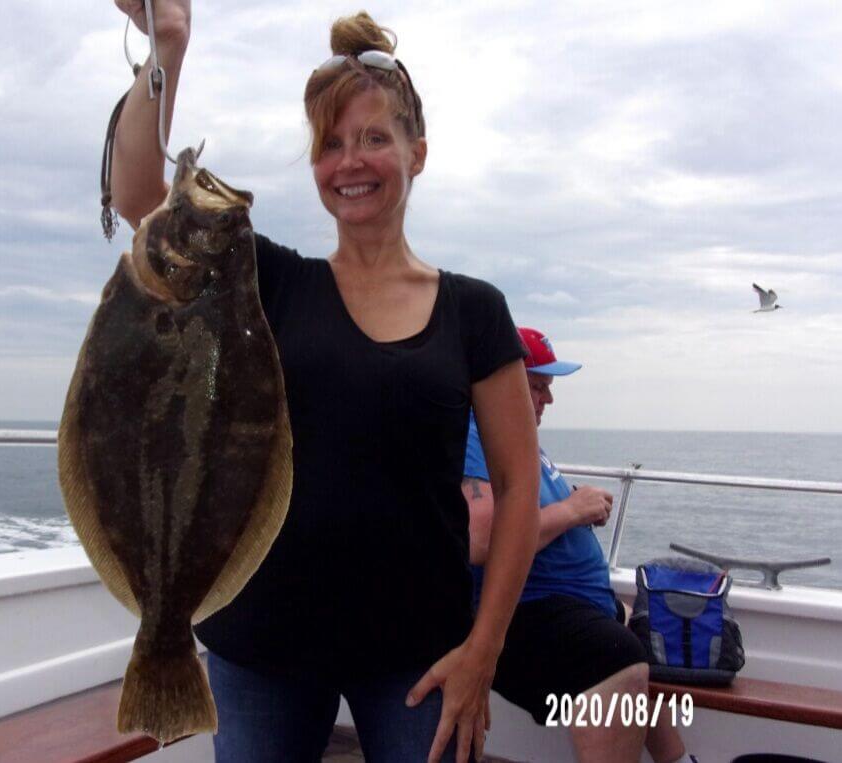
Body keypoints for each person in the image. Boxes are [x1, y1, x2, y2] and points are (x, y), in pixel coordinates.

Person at [109, 3, 542, 762]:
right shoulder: (273, 281)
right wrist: (167, 47)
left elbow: (516, 482)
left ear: (418, 152)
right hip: (260, 642)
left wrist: (484, 650)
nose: (350, 162)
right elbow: (139, 197)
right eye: (331, 144)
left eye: (375, 138)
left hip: (420, 651)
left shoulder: (475, 309)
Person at [464, 327, 695, 763]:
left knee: (640, 627)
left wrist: (579, 508)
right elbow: (481, 538)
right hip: (522, 612)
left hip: (571, 601)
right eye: (537, 387)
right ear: (500, 384)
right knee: (617, 653)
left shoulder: (516, 437)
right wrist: (573, 511)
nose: (547, 400)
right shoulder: (477, 435)